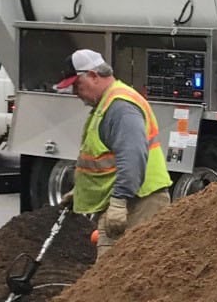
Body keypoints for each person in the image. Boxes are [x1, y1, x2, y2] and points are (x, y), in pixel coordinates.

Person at [55, 49, 171, 253]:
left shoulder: (120, 107)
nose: (75, 93)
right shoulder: (106, 105)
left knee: (123, 273)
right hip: (130, 200)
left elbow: (132, 157)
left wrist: (119, 201)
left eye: (76, 85)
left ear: (93, 75)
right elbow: (105, 160)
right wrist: (80, 190)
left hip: (139, 202)